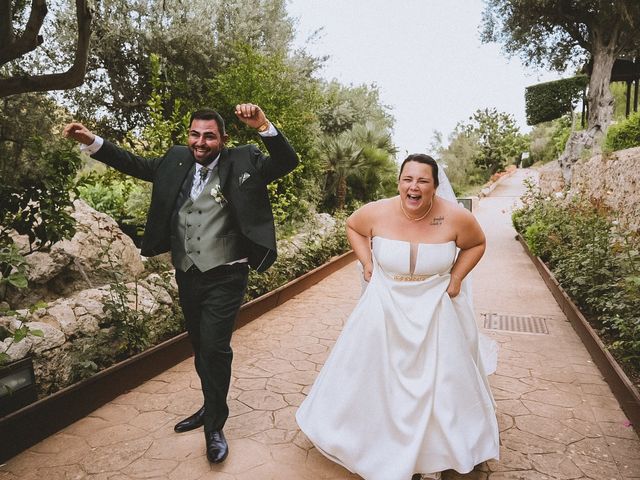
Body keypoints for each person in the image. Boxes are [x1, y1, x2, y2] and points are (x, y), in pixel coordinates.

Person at [63, 104, 298, 464]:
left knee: (216, 348)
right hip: (188, 272)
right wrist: (91, 140)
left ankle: (215, 427)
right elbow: (133, 163)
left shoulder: (244, 161)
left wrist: (264, 125)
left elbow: (286, 162)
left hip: (227, 273)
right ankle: (210, 404)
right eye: (194, 134)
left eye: (208, 136)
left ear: (223, 139)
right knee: (200, 344)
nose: (200, 142)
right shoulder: (175, 160)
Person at [296, 154, 499, 480]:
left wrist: (457, 277)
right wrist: (367, 263)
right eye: (408, 179)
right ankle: (373, 442)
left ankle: (435, 453)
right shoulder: (377, 211)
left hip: (435, 309)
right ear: (399, 182)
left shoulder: (455, 217)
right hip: (384, 306)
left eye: (423, 181)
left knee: (440, 384)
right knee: (374, 377)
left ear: (435, 186)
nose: (414, 187)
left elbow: (477, 244)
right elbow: (353, 227)